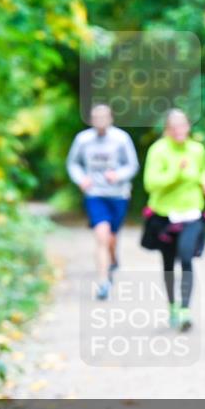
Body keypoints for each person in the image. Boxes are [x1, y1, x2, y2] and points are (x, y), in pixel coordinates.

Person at [141, 109, 205, 331]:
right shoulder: (158, 150)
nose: (181, 131)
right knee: (168, 264)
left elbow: (202, 170)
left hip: (192, 212)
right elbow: (151, 183)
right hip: (164, 215)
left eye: (184, 126)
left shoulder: (196, 148)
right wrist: (175, 171)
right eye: (176, 128)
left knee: (186, 256)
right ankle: (172, 305)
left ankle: (185, 309)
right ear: (168, 129)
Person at [66, 104, 140, 300]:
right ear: (91, 120)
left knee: (111, 237)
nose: (100, 120)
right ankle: (103, 281)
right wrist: (81, 179)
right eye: (96, 117)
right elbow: (73, 163)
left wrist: (118, 175)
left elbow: (132, 165)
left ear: (110, 118)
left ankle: (113, 258)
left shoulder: (121, 139)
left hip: (118, 194)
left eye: (103, 116)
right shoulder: (83, 140)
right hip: (95, 194)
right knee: (101, 236)